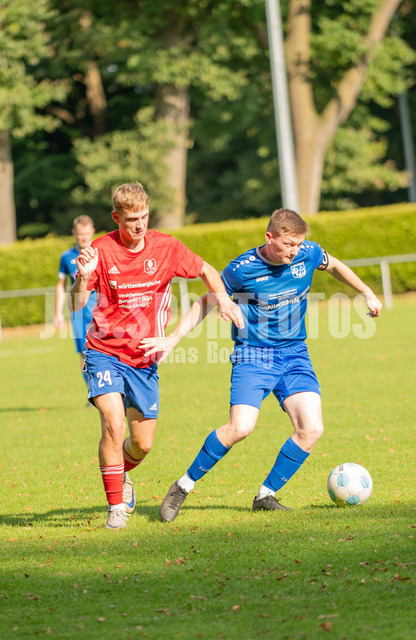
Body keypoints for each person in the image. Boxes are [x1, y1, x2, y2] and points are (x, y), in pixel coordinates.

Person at [141, 208, 382, 522]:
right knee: (240, 428)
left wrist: (366, 292)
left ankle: (266, 496)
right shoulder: (241, 270)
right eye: (289, 244)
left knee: (311, 428)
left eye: (299, 244)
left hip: (294, 355)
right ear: (270, 238)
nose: (295, 251)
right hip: (253, 356)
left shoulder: (307, 253)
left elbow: (333, 264)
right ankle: (182, 486)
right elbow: (207, 301)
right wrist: (172, 339)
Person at [69, 183, 244, 530]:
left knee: (142, 444)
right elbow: (76, 304)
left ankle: (121, 472)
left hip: (145, 356)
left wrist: (223, 298)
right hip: (104, 351)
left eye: (144, 217)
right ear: (116, 217)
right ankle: (116, 509)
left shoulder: (166, 247)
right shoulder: (101, 250)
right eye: (131, 219)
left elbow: (208, 271)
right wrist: (84, 278)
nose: (139, 225)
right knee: (113, 424)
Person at [55, 215, 96, 387]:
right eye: (80, 234)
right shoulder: (67, 257)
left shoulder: (99, 253)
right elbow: (61, 286)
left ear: (92, 231)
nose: (84, 237)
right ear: (74, 233)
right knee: (84, 354)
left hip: (100, 310)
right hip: (79, 314)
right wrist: (58, 313)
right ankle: (92, 392)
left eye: (86, 233)